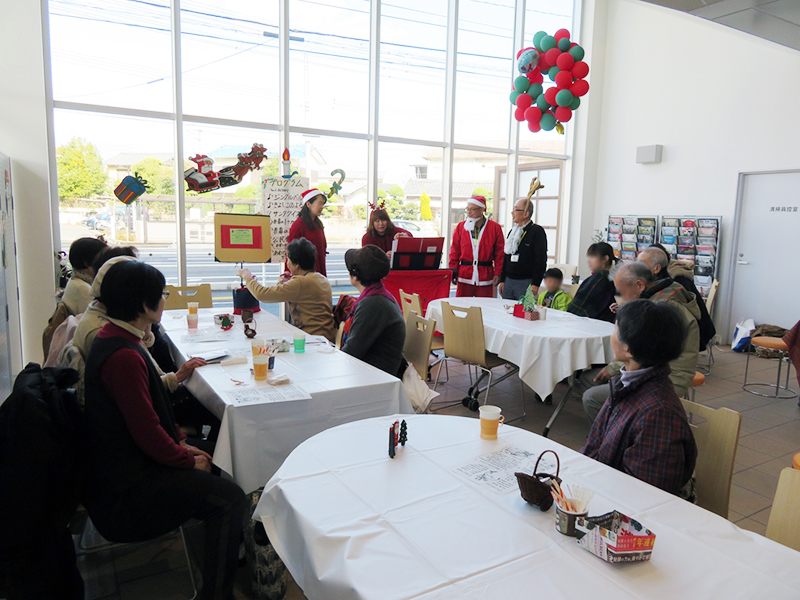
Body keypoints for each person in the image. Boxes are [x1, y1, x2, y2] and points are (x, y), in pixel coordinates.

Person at [83, 261, 244, 600]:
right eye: (162, 294)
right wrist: (185, 458)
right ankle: (218, 592)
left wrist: (184, 446)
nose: (165, 299)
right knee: (229, 500)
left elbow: (148, 423)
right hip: (127, 492)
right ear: (143, 304)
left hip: (128, 464)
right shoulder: (123, 356)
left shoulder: (115, 337)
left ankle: (223, 548)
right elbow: (148, 432)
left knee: (219, 450)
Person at [582, 299, 697, 498]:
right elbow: (594, 448)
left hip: (623, 512)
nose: (612, 336)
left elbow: (642, 498)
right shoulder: (626, 385)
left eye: (615, 329)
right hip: (598, 487)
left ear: (628, 349)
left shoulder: (658, 414)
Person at [580, 261, 701, 422]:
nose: (622, 297)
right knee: (590, 379)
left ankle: (617, 427)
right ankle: (617, 421)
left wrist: (614, 368)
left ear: (639, 285)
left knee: (592, 395)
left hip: (669, 376)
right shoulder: (660, 297)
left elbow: (641, 349)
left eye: (623, 292)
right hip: (654, 369)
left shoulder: (659, 310)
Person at [238, 238, 335, 342]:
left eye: (288, 259)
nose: (287, 263)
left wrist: (248, 278)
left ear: (296, 264)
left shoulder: (299, 283)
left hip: (310, 339)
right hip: (326, 337)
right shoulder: (321, 278)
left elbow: (262, 294)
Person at [342, 245, 406, 377]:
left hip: (376, 375)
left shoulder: (372, 304)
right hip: (377, 368)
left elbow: (352, 351)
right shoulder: (379, 295)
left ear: (355, 276)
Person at [643, 244, 717, 351]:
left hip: (694, 333)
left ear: (657, 266)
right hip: (692, 328)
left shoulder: (676, 281)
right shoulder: (669, 276)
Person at [448, 195, 505, 298]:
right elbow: (455, 251)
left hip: (485, 275)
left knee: (484, 307)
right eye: (467, 209)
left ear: (482, 209)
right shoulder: (461, 227)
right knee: (462, 306)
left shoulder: (494, 228)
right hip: (465, 274)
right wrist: (453, 270)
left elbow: (499, 253)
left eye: (472, 209)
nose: (469, 212)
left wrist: (498, 273)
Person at [498, 197, 548, 301]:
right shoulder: (513, 231)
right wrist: (502, 280)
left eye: (516, 209)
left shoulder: (537, 231)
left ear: (526, 214)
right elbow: (506, 257)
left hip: (526, 281)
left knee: (522, 314)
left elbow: (541, 259)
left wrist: (536, 283)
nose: (512, 212)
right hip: (508, 281)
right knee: (506, 311)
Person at [566, 242, 619, 322]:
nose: (589, 261)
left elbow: (579, 308)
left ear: (605, 259)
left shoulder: (600, 277)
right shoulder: (614, 277)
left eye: (593, 257)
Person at [61, 237, 108, 315]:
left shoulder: (75, 281)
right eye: (102, 260)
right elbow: (98, 320)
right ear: (87, 263)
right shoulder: (84, 290)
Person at [287, 188, 327, 276]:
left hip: (319, 268)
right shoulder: (298, 225)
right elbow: (291, 251)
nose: (322, 206)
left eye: (323, 203)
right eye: (319, 203)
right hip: (304, 274)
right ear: (308, 204)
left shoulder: (318, 224)